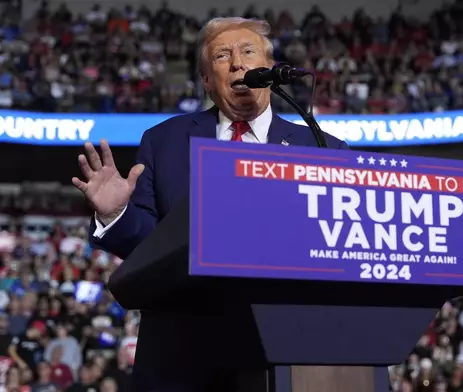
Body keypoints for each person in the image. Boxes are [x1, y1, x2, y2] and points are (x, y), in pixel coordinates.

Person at [72, 17, 348, 391]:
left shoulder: (324, 149)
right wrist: (115, 213)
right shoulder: (164, 141)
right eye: (223, 55)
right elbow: (150, 249)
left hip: (286, 349)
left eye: (249, 52)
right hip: (182, 352)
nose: (238, 63)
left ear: (267, 67)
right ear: (206, 80)